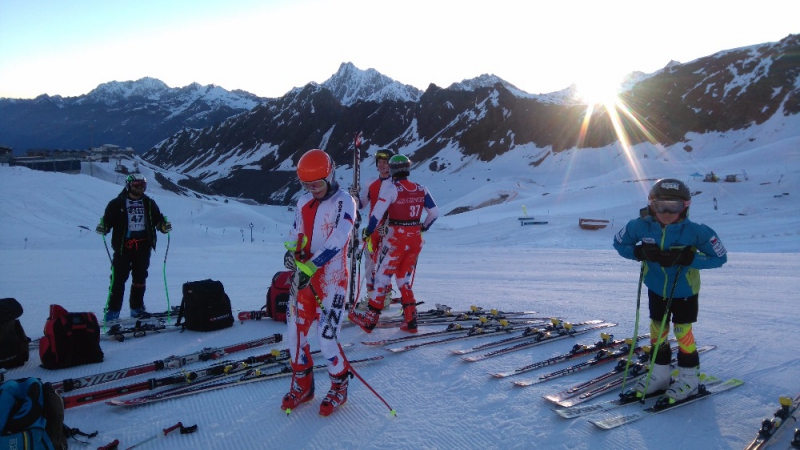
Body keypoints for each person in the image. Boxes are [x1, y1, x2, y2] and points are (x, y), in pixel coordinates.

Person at [613, 178, 727, 402]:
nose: (666, 213)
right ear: (651, 205)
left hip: (685, 291)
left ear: (685, 207)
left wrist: (689, 258)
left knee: (683, 333)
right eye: (660, 206)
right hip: (656, 288)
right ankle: (660, 376)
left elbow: (719, 257)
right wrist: (638, 252)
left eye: (673, 206)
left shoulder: (696, 231)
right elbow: (619, 243)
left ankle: (689, 380)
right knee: (658, 331)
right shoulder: (640, 226)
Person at [282, 149, 356, 416]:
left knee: (326, 338)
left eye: (318, 183)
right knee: (295, 335)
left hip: (331, 279)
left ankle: (339, 386)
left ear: (330, 175)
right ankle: (304, 385)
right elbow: (296, 233)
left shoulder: (344, 201)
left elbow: (339, 237)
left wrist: (312, 266)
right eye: (306, 185)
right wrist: (291, 252)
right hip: (303, 278)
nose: (313, 189)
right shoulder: (303, 202)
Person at [348, 154, 439, 334]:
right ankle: (411, 320)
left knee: (382, 277)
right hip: (415, 239)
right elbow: (434, 213)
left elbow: (376, 215)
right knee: (403, 278)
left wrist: (368, 232)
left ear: (392, 169)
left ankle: (370, 320)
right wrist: (423, 227)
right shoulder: (421, 188)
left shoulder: (391, 189)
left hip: (396, 238)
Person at [96, 174, 171, 321]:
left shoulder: (149, 203)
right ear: (128, 185)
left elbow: (158, 220)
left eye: (142, 185)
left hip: (143, 246)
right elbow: (108, 221)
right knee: (117, 280)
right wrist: (104, 227)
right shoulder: (116, 204)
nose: (140, 187)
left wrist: (163, 226)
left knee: (140, 278)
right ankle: (113, 311)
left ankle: (136, 308)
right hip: (123, 247)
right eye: (136, 184)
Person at [349, 149, 395, 308]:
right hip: (372, 229)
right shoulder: (371, 183)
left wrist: (389, 224)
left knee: (384, 263)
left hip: (387, 230)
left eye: (385, 162)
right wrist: (354, 197)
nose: (382, 165)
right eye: (380, 162)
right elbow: (362, 204)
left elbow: (398, 207)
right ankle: (371, 296)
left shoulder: (396, 184)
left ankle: (385, 295)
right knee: (369, 263)